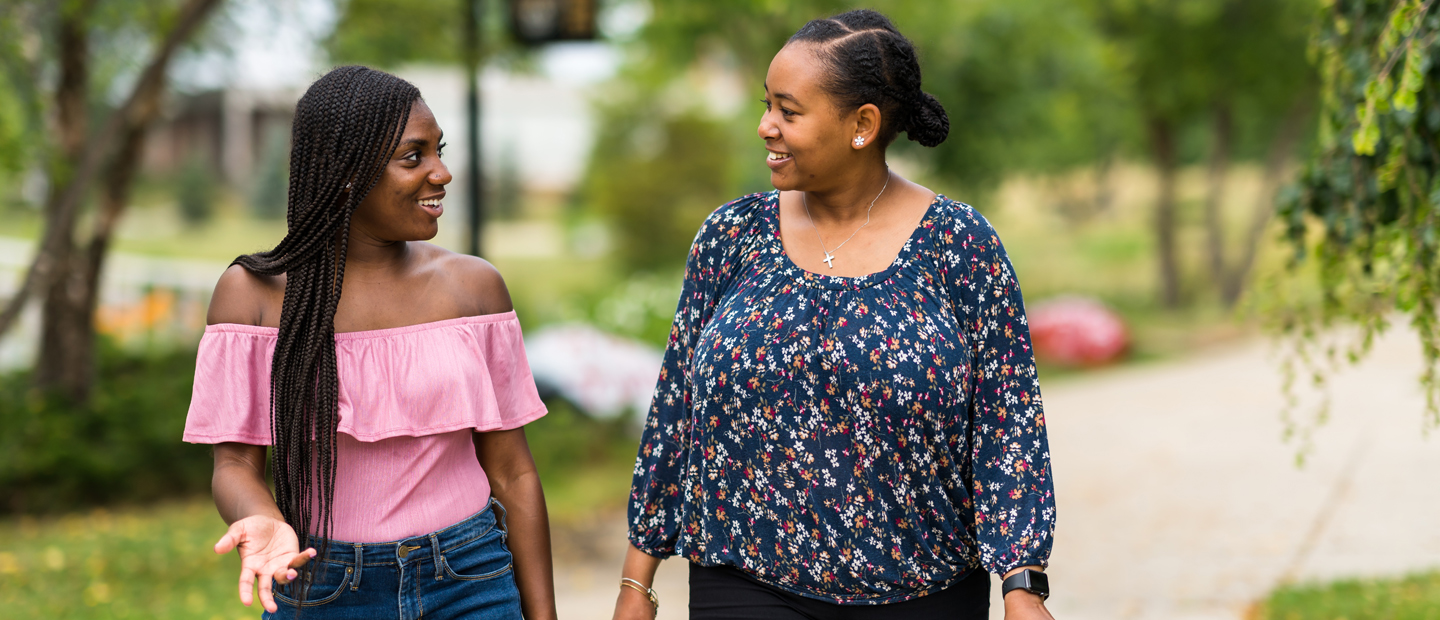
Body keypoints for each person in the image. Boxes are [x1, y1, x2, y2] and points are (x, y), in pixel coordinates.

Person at [613, 10, 1056, 620]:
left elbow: (1008, 424)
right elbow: (675, 413)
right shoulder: (732, 235)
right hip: (745, 578)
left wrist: (1022, 585)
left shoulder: (960, 243)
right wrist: (638, 584)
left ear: (862, 125)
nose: (765, 126)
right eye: (766, 105)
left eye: (788, 112)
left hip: (923, 587)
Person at [182, 66, 556, 620]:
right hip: (322, 585)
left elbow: (513, 472)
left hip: (470, 577)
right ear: (347, 173)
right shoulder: (254, 295)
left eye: (438, 151)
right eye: (414, 157)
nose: (442, 173)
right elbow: (234, 462)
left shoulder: (473, 287)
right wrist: (262, 515)